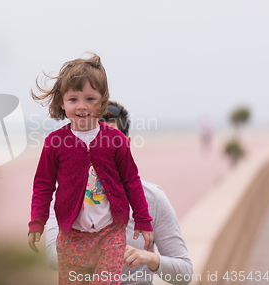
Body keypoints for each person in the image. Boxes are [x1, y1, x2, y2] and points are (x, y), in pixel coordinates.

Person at [28, 54, 153, 285]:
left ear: (103, 101)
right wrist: (37, 220)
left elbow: (131, 181)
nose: (82, 106)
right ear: (62, 103)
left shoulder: (116, 140)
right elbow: (43, 184)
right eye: (73, 99)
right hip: (71, 236)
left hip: (110, 234)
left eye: (90, 98)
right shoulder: (55, 143)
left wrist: (143, 219)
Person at [46, 102, 194, 285]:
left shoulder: (152, 198)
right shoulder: (63, 197)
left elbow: (185, 274)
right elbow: (53, 258)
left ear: (126, 145)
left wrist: (149, 258)